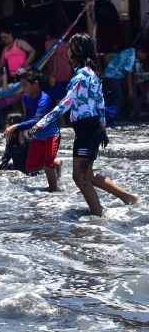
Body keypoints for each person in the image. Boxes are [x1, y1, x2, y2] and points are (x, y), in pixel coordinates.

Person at [29, 33, 138, 216]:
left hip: (87, 130)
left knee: (79, 177)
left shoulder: (80, 77)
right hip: (91, 128)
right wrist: (102, 128)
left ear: (76, 52)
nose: (67, 52)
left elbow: (65, 104)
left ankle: (98, 215)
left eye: (69, 48)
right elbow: (100, 102)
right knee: (88, 175)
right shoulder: (92, 73)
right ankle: (128, 197)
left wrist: (40, 124)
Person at [5, 70, 62, 191]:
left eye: (25, 85)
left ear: (35, 84)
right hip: (38, 136)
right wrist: (22, 130)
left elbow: (37, 120)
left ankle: (54, 192)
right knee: (31, 167)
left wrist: (16, 126)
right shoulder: (26, 97)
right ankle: (55, 163)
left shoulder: (45, 100)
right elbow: (28, 116)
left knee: (47, 166)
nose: (22, 88)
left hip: (51, 135)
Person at [103, 45, 149, 119]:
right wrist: (130, 90)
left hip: (117, 76)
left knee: (122, 95)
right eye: (145, 55)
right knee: (119, 97)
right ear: (140, 52)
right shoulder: (132, 55)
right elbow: (129, 73)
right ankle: (113, 117)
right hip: (112, 75)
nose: (144, 57)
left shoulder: (134, 55)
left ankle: (122, 115)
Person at [44, 30, 74, 103]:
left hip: (55, 75)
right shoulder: (67, 43)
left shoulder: (48, 43)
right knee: (69, 97)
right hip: (68, 73)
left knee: (59, 99)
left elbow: (49, 59)